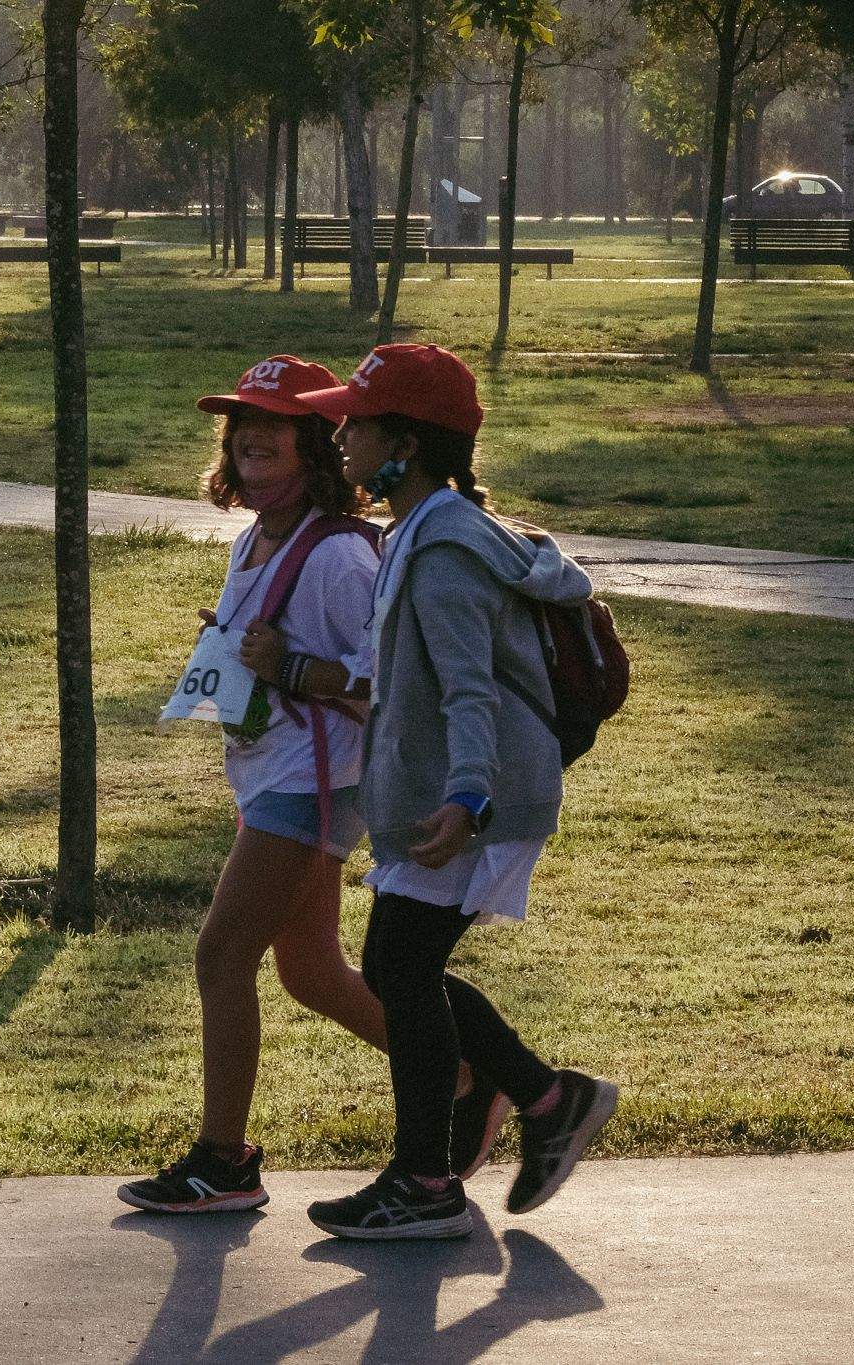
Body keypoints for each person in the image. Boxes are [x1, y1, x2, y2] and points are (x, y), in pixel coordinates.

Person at [118, 357, 502, 1217]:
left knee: (222, 953)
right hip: (274, 771)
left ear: (318, 457)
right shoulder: (262, 539)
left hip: (315, 780)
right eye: (240, 450)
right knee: (313, 970)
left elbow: (389, 686)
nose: (249, 469)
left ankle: (226, 1160)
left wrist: (291, 667)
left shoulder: (336, 555)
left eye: (269, 451)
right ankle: (469, 1080)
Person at [290, 344, 619, 1240]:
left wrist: (467, 799)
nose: (341, 433)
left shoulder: (441, 550)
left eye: (357, 421)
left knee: (399, 965)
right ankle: (543, 1101)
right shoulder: (422, 530)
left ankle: (430, 1180)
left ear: (408, 440)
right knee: (404, 967)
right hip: (457, 793)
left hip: (475, 798)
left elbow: (472, 690)